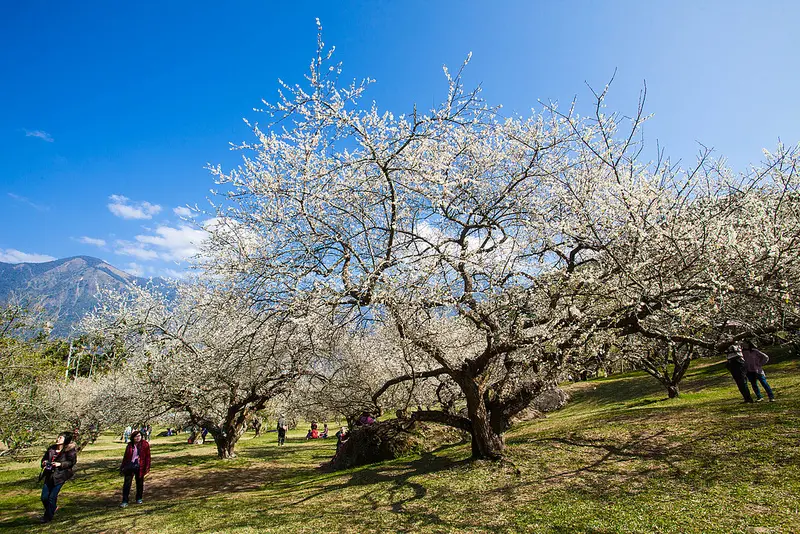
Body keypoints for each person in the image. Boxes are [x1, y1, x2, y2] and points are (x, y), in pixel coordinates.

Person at [38, 432, 78, 523]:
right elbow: (44, 459)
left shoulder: (69, 450)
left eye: (60, 438)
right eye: (58, 437)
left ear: (65, 440)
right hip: (49, 475)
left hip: (60, 475)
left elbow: (71, 462)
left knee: (52, 497)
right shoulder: (51, 448)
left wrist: (60, 464)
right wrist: (44, 462)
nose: (58, 439)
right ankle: (53, 508)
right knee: (44, 497)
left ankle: (47, 517)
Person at [119, 430, 151, 507]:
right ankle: (125, 501)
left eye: (139, 436)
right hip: (129, 467)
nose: (138, 438)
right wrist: (122, 467)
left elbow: (148, 456)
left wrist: (147, 467)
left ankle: (139, 498)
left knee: (139, 483)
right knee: (127, 484)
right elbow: (126, 457)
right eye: (136, 436)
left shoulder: (145, 444)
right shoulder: (130, 445)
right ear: (133, 437)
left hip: (140, 466)